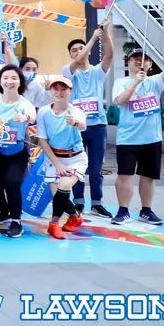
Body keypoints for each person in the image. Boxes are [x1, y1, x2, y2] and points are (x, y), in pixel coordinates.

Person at [112, 44, 164, 226]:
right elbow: (120, 100)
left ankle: (146, 210)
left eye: (144, 59)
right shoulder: (121, 82)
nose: (140, 62)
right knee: (125, 175)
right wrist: (135, 83)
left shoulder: (154, 82)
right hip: (127, 139)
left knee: (148, 176)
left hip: (152, 139)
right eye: (135, 59)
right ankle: (123, 211)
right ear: (128, 63)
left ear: (150, 64)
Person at [63, 22, 114, 217]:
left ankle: (97, 203)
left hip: (97, 125)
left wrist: (105, 34)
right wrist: (93, 38)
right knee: (77, 165)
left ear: (89, 51)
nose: (78, 52)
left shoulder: (97, 72)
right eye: (74, 50)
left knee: (96, 167)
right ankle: (78, 202)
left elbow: (109, 56)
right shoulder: (68, 72)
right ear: (70, 55)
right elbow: (77, 61)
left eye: (81, 48)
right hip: (75, 127)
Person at [0, 65, 37, 238]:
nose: (9, 81)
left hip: (17, 151)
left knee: (12, 182)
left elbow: (31, 115)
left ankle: (16, 221)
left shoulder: (24, 103)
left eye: (14, 78)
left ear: (20, 82)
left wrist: (25, 118)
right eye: (5, 78)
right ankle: (4, 210)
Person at [36, 76, 88, 239]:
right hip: (54, 158)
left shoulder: (76, 111)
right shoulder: (43, 112)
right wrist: (57, 164)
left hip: (75, 158)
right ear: (50, 91)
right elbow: (42, 139)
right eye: (55, 88)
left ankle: (53, 224)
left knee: (64, 185)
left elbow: (82, 125)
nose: (59, 92)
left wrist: (75, 123)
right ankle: (75, 217)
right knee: (59, 197)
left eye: (63, 88)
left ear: (70, 91)